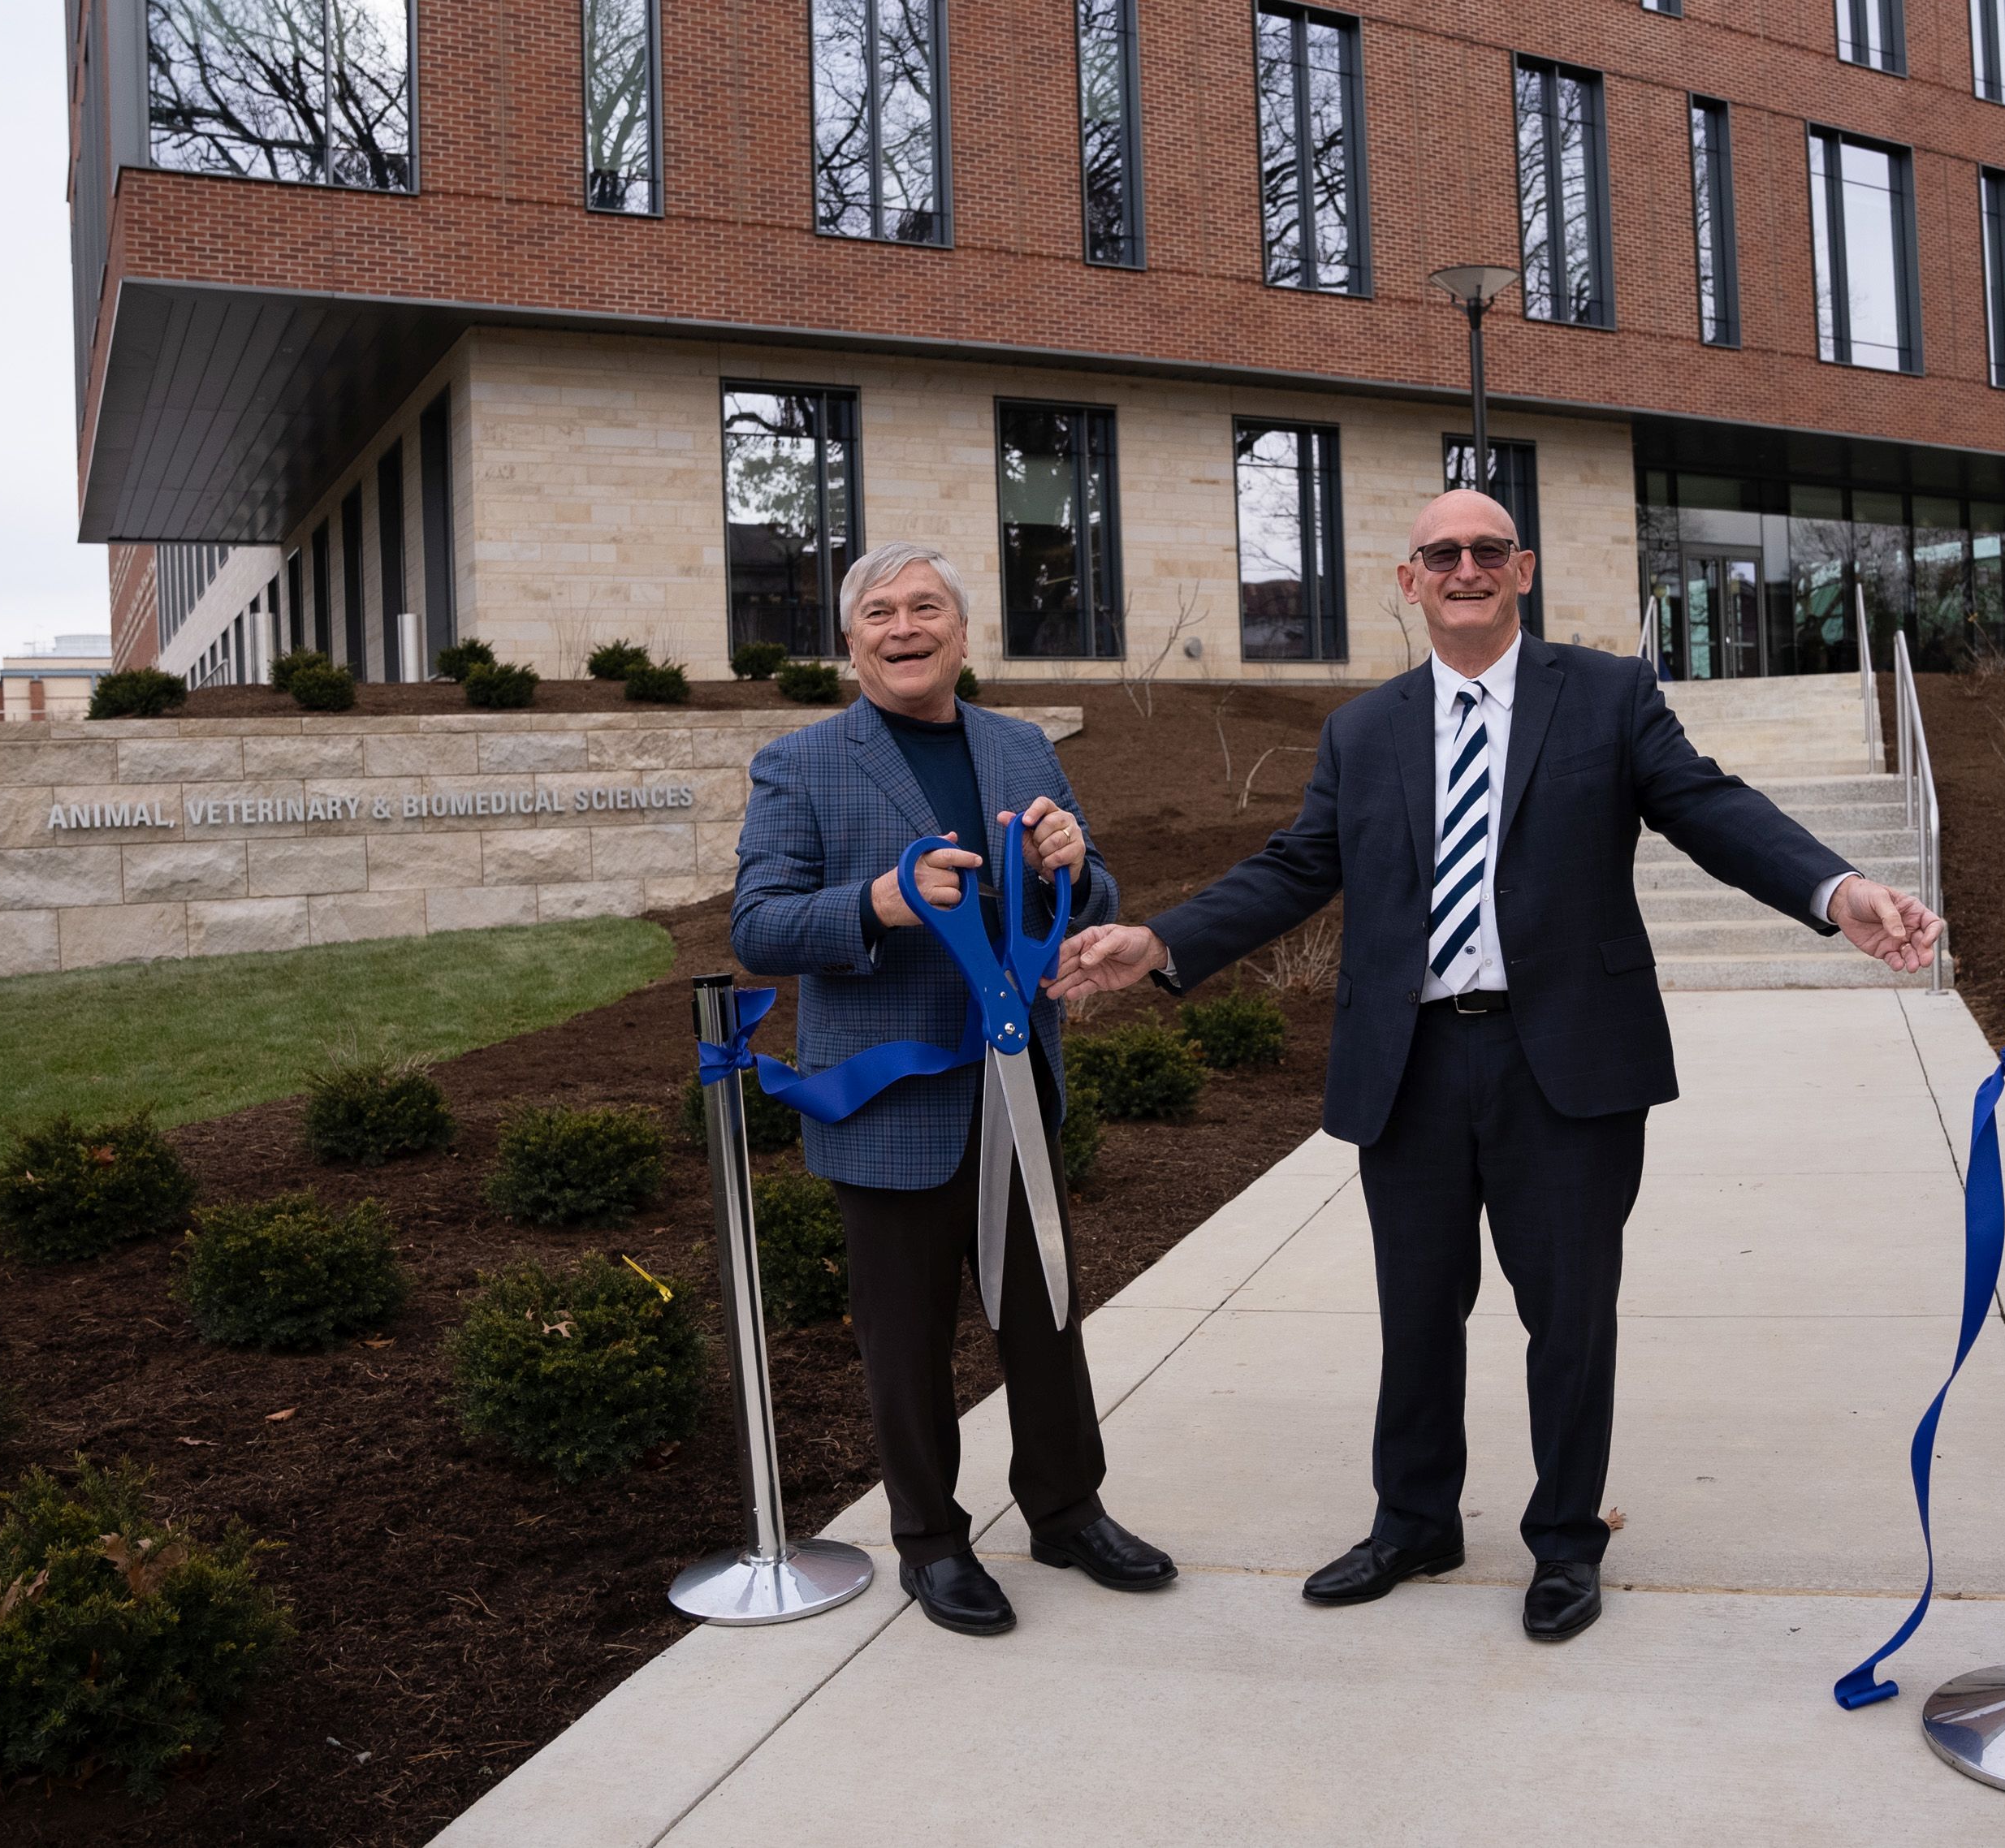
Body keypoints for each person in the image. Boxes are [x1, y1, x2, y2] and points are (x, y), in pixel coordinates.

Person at [1050, 490, 1941, 1643]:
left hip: (1564, 1059)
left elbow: (1711, 809)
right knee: (1417, 1309)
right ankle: (1414, 1518)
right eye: (1441, 553)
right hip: (1410, 1060)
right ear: (1409, 580)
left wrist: (1838, 890)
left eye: (1487, 549)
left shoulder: (1608, 695)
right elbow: (1294, 866)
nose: (1465, 566)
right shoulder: (1363, 732)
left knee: (1569, 1314)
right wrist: (1160, 938)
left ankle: (1567, 1539)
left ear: (1521, 569)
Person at [732, 542, 1178, 1637]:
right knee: (907, 1339)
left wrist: (1080, 866)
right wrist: (878, 901)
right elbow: (757, 925)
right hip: (891, 1108)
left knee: (1048, 1318)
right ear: (852, 643)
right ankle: (930, 1540)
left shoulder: (1022, 746)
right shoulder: (802, 761)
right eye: (877, 612)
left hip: (1018, 1092)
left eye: (924, 606)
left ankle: (1068, 1510)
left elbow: (1087, 896)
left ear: (962, 631)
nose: (902, 626)